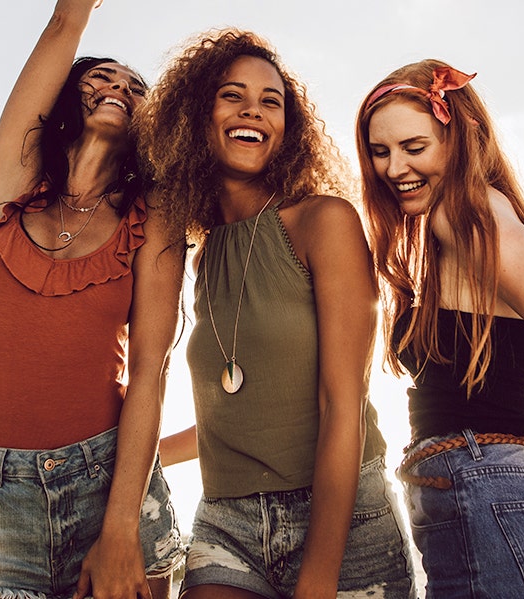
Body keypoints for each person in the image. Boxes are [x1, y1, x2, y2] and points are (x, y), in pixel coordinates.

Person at [137, 29, 415, 599]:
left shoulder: (323, 222)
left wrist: (318, 579)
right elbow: (234, 414)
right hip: (226, 521)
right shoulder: (206, 254)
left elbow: (342, 405)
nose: (253, 111)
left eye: (271, 101)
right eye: (231, 95)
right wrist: (133, 460)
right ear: (196, 114)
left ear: (288, 127)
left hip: (344, 517)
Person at [0, 1, 185, 598]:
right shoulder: (5, 191)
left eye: (136, 86)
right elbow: (64, 24)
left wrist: (120, 529)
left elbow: (150, 371)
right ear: (66, 96)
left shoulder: (155, 219)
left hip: (111, 486)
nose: (120, 86)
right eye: (102, 76)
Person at [355, 59, 524, 598]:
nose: (393, 168)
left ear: (459, 141)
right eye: (380, 152)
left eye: (415, 147)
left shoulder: (463, 213)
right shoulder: (468, 220)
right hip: (494, 496)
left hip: (487, 488)